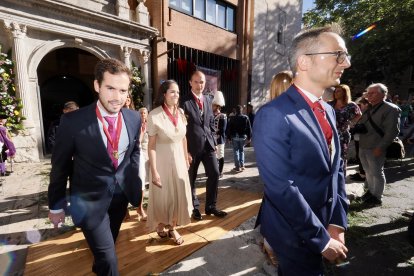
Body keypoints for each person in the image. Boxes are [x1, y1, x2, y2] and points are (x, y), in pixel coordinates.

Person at [254, 24, 350, 275]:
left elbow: (336, 169)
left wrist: (337, 221)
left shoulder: (328, 109)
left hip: (325, 223)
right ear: (304, 62)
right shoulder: (273, 114)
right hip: (294, 233)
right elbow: (281, 188)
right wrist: (320, 238)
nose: (346, 63)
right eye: (338, 55)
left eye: (346, 55)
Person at [48, 58, 142, 276]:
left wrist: (134, 179)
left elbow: (134, 151)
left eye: (122, 90)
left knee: (105, 251)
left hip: (120, 199)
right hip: (88, 201)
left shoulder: (134, 118)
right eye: (110, 88)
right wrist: (56, 206)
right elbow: (59, 167)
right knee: (109, 259)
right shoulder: (73, 122)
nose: (117, 97)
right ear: (97, 85)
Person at [146, 80, 193, 245]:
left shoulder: (180, 112)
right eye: (172, 92)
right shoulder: (154, 115)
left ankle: (172, 227)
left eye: (178, 92)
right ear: (164, 94)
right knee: (163, 197)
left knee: (178, 195)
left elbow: (184, 137)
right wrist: (154, 170)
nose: (176, 95)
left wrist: (186, 154)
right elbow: (150, 146)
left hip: (179, 161)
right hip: (162, 163)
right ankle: (160, 223)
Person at [182, 70, 227, 221]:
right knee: (191, 178)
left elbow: (211, 122)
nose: (199, 85)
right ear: (190, 83)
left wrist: (214, 141)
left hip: (208, 145)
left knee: (215, 172)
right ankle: (194, 207)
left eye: (201, 82)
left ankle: (211, 206)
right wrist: (185, 150)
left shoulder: (208, 99)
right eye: (196, 81)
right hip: (191, 147)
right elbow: (181, 129)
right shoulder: (184, 101)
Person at [260, 69, 293, 267]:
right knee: (276, 212)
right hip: (279, 175)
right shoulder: (270, 112)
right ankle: (269, 244)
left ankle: (271, 243)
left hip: (290, 174)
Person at [358, 83, 401, 206]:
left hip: (376, 146)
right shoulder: (370, 107)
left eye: (372, 93)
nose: (369, 95)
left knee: (376, 172)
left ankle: (377, 197)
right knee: (367, 170)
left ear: (383, 94)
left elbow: (392, 131)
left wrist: (381, 147)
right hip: (364, 144)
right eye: (368, 93)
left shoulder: (391, 109)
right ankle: (371, 192)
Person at [329, 84, 362, 176]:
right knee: (329, 155)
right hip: (330, 133)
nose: (336, 93)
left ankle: (340, 177)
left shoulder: (351, 105)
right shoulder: (330, 103)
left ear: (344, 93)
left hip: (343, 134)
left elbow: (359, 114)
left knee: (341, 156)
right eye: (335, 91)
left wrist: (351, 123)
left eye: (338, 91)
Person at [226, 105, 251, 172]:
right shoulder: (246, 117)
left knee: (236, 151)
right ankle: (242, 165)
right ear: (241, 110)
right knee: (241, 151)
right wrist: (249, 137)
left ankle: (237, 167)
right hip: (243, 136)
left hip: (235, 137)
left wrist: (228, 137)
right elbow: (249, 128)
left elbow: (229, 129)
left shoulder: (232, 118)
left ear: (235, 111)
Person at [350, 97, 370, 182]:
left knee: (361, 156)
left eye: (360, 104)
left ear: (366, 104)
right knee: (359, 155)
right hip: (358, 137)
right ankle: (361, 172)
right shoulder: (364, 112)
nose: (358, 106)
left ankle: (363, 175)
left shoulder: (366, 113)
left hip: (363, 138)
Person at [137, 107, 149, 221]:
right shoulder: (136, 126)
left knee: (148, 184)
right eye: (140, 113)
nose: (143, 114)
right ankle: (140, 208)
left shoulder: (150, 125)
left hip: (149, 157)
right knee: (141, 183)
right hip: (139, 156)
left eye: (144, 112)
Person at [212, 91, 227, 178]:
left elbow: (223, 130)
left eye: (214, 105)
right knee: (213, 156)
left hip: (219, 139)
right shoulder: (211, 115)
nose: (212, 106)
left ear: (217, 106)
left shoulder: (223, 116)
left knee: (220, 155)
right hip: (212, 139)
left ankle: (220, 172)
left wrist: (213, 132)